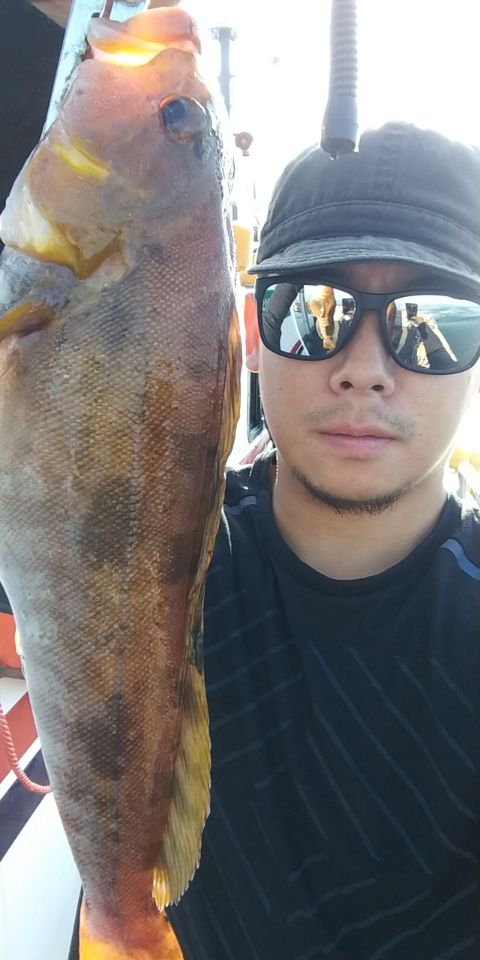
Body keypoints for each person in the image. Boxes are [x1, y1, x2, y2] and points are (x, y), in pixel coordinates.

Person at [166, 122, 480, 960]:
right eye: (313, 311)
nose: (365, 368)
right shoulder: (154, 566)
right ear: (253, 334)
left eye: (434, 322)